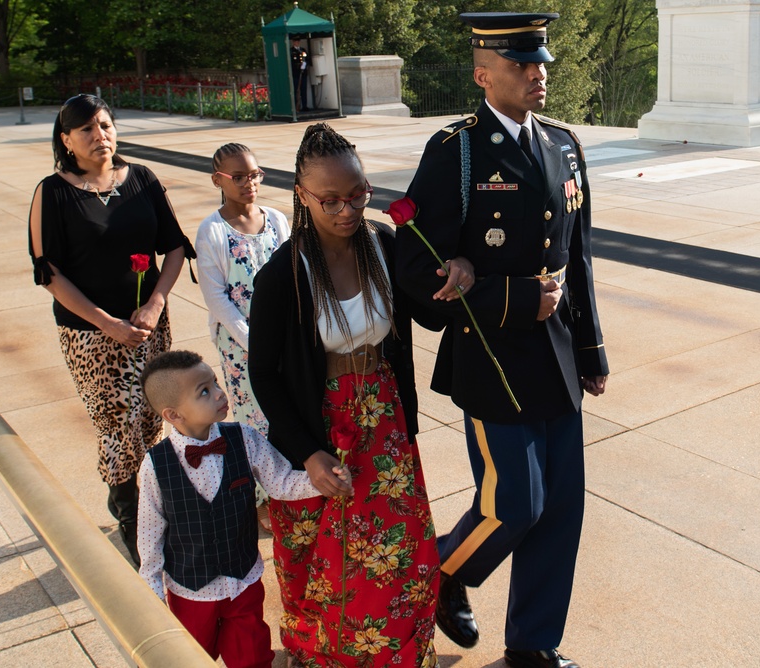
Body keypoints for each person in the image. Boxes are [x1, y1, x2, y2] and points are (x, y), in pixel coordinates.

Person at [394, 12, 610, 668]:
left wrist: (592, 347)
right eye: (522, 65)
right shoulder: (456, 151)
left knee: (559, 512)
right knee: (515, 501)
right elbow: (413, 264)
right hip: (492, 357)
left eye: (540, 62)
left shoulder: (565, 145)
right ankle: (444, 574)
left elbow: (578, 257)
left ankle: (533, 648)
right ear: (484, 74)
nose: (537, 73)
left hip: (558, 358)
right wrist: (505, 295)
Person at [248, 122, 476, 667]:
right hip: (319, 425)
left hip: (385, 422)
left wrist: (459, 271)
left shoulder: (383, 245)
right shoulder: (285, 273)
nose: (347, 209)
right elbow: (264, 375)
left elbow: (432, 311)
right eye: (330, 200)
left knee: (403, 558)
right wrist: (308, 453)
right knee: (329, 568)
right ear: (302, 196)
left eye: (358, 194)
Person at [28, 93, 193, 566]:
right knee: (118, 427)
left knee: (154, 419)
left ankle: (158, 506)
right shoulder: (52, 192)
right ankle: (135, 528)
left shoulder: (141, 179)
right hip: (92, 337)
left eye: (105, 125)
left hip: (148, 327)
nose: (99, 135)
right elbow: (49, 272)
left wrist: (155, 303)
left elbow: (175, 246)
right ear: (66, 140)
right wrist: (106, 323)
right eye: (86, 129)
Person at [136, 350, 351, 668]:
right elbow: (150, 533)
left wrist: (321, 481)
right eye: (204, 392)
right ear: (174, 415)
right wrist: (152, 590)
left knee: (251, 656)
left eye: (215, 383)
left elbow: (280, 482)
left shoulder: (245, 439)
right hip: (189, 591)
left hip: (243, 581)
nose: (220, 393)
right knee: (188, 660)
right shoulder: (156, 465)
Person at [195, 143, 290, 532]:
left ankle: (289, 484)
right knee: (254, 419)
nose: (249, 183)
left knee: (286, 412)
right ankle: (262, 499)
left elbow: (291, 275)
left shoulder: (278, 220)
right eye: (238, 177)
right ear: (219, 180)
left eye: (254, 174)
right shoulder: (213, 231)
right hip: (242, 347)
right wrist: (254, 343)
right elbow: (217, 297)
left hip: (282, 340)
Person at [291, 36, 309, 112]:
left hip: (303, 73)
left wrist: (304, 65)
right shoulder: (291, 51)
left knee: (303, 90)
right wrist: (298, 66)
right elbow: (291, 63)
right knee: (296, 91)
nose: (297, 42)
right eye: (296, 41)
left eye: (298, 41)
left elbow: (307, 59)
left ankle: (304, 106)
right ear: (293, 42)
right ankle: (296, 106)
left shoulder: (303, 50)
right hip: (296, 74)